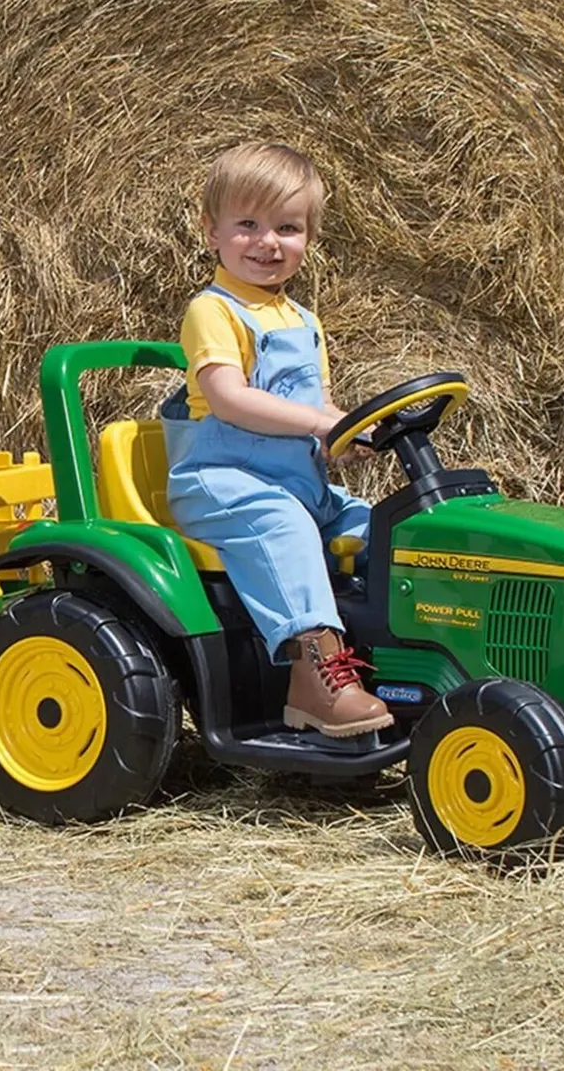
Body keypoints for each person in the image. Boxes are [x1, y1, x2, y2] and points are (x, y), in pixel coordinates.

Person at [160, 141, 393, 738]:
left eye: (287, 228)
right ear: (212, 232)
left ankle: (400, 658)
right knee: (283, 528)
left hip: (298, 484)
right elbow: (232, 399)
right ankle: (315, 682)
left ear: (308, 239)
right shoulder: (214, 311)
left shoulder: (303, 321)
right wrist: (321, 424)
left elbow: (317, 412)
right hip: (224, 482)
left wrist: (352, 430)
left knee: (385, 527)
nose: (268, 242)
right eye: (249, 225)